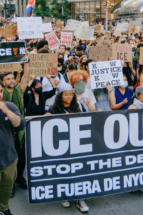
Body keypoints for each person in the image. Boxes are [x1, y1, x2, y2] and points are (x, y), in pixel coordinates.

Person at [45, 83, 89, 213]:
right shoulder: (53, 109)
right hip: (63, 148)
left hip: (77, 146)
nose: (69, 97)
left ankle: (80, 199)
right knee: (65, 171)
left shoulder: (78, 106)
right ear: (60, 95)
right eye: (66, 94)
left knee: (79, 172)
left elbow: (88, 119)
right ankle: (65, 195)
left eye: (71, 94)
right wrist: (45, 117)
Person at [0, 78, 25, 215]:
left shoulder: (9, 106)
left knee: (6, 192)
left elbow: (20, 125)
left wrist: (6, 110)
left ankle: (5, 210)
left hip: (9, 161)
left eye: (0, 91)